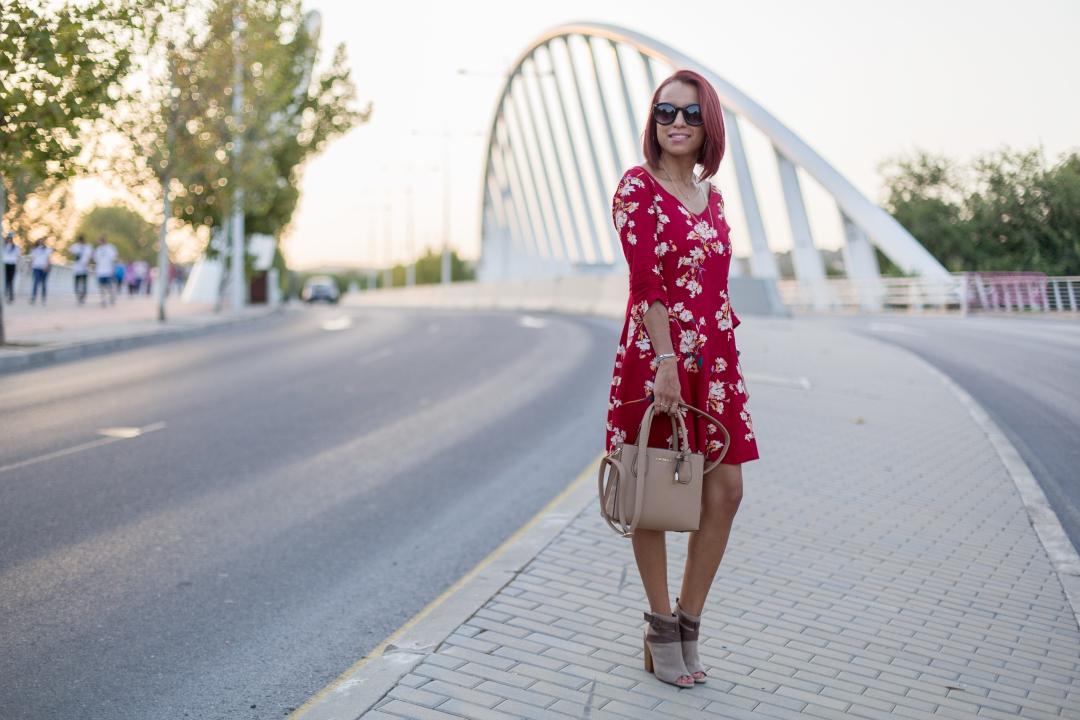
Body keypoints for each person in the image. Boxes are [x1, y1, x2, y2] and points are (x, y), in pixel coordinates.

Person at [605, 69, 759, 688]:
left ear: (708, 127)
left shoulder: (713, 200)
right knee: (652, 493)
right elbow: (646, 283)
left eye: (691, 115)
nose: (676, 123)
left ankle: (688, 623)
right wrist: (667, 362)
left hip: (716, 366)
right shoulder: (635, 190)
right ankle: (660, 628)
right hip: (656, 360)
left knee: (726, 492)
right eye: (666, 111)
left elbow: (715, 287)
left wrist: (717, 357)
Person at [93, 236, 118, 306]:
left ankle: (111, 296)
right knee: (101, 286)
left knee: (108, 286)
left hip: (108, 270)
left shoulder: (110, 248)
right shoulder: (98, 249)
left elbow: (114, 258)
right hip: (100, 271)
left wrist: (113, 268)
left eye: (99, 241)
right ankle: (103, 299)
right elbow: (95, 259)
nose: (98, 242)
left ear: (102, 241)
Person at [68, 234, 93, 304]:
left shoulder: (88, 247)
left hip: (85, 268)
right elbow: (70, 252)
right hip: (77, 268)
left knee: (84, 284)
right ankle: (78, 296)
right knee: (76, 283)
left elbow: (90, 257)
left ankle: (82, 296)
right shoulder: (75, 246)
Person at [29, 239, 52, 305]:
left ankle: (43, 297)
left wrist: (47, 266)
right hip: (36, 267)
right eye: (40, 241)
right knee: (36, 282)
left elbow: (48, 258)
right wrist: (30, 266)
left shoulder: (47, 250)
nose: (41, 243)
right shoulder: (34, 249)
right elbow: (32, 258)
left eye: (42, 241)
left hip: (44, 268)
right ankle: (33, 297)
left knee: (44, 283)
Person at [3, 232, 19, 303]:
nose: (9, 239)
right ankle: (5, 293)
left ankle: (11, 295)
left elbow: (17, 257)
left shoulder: (15, 247)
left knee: (11, 280)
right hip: (5, 264)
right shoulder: (4, 246)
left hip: (12, 265)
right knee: (5, 280)